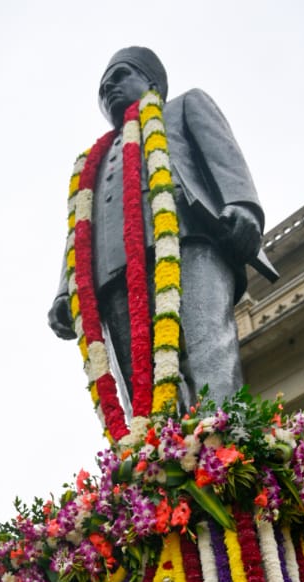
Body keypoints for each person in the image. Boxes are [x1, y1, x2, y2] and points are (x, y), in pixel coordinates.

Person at [48, 46, 278, 409]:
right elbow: (77, 229)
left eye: (120, 76)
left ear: (151, 81)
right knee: (140, 379)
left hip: (189, 238)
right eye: (102, 87)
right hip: (113, 271)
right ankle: (158, 456)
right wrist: (66, 289)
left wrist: (242, 205)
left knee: (207, 343)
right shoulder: (90, 164)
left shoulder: (184, 105)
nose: (109, 88)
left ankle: (225, 436)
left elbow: (223, 156)